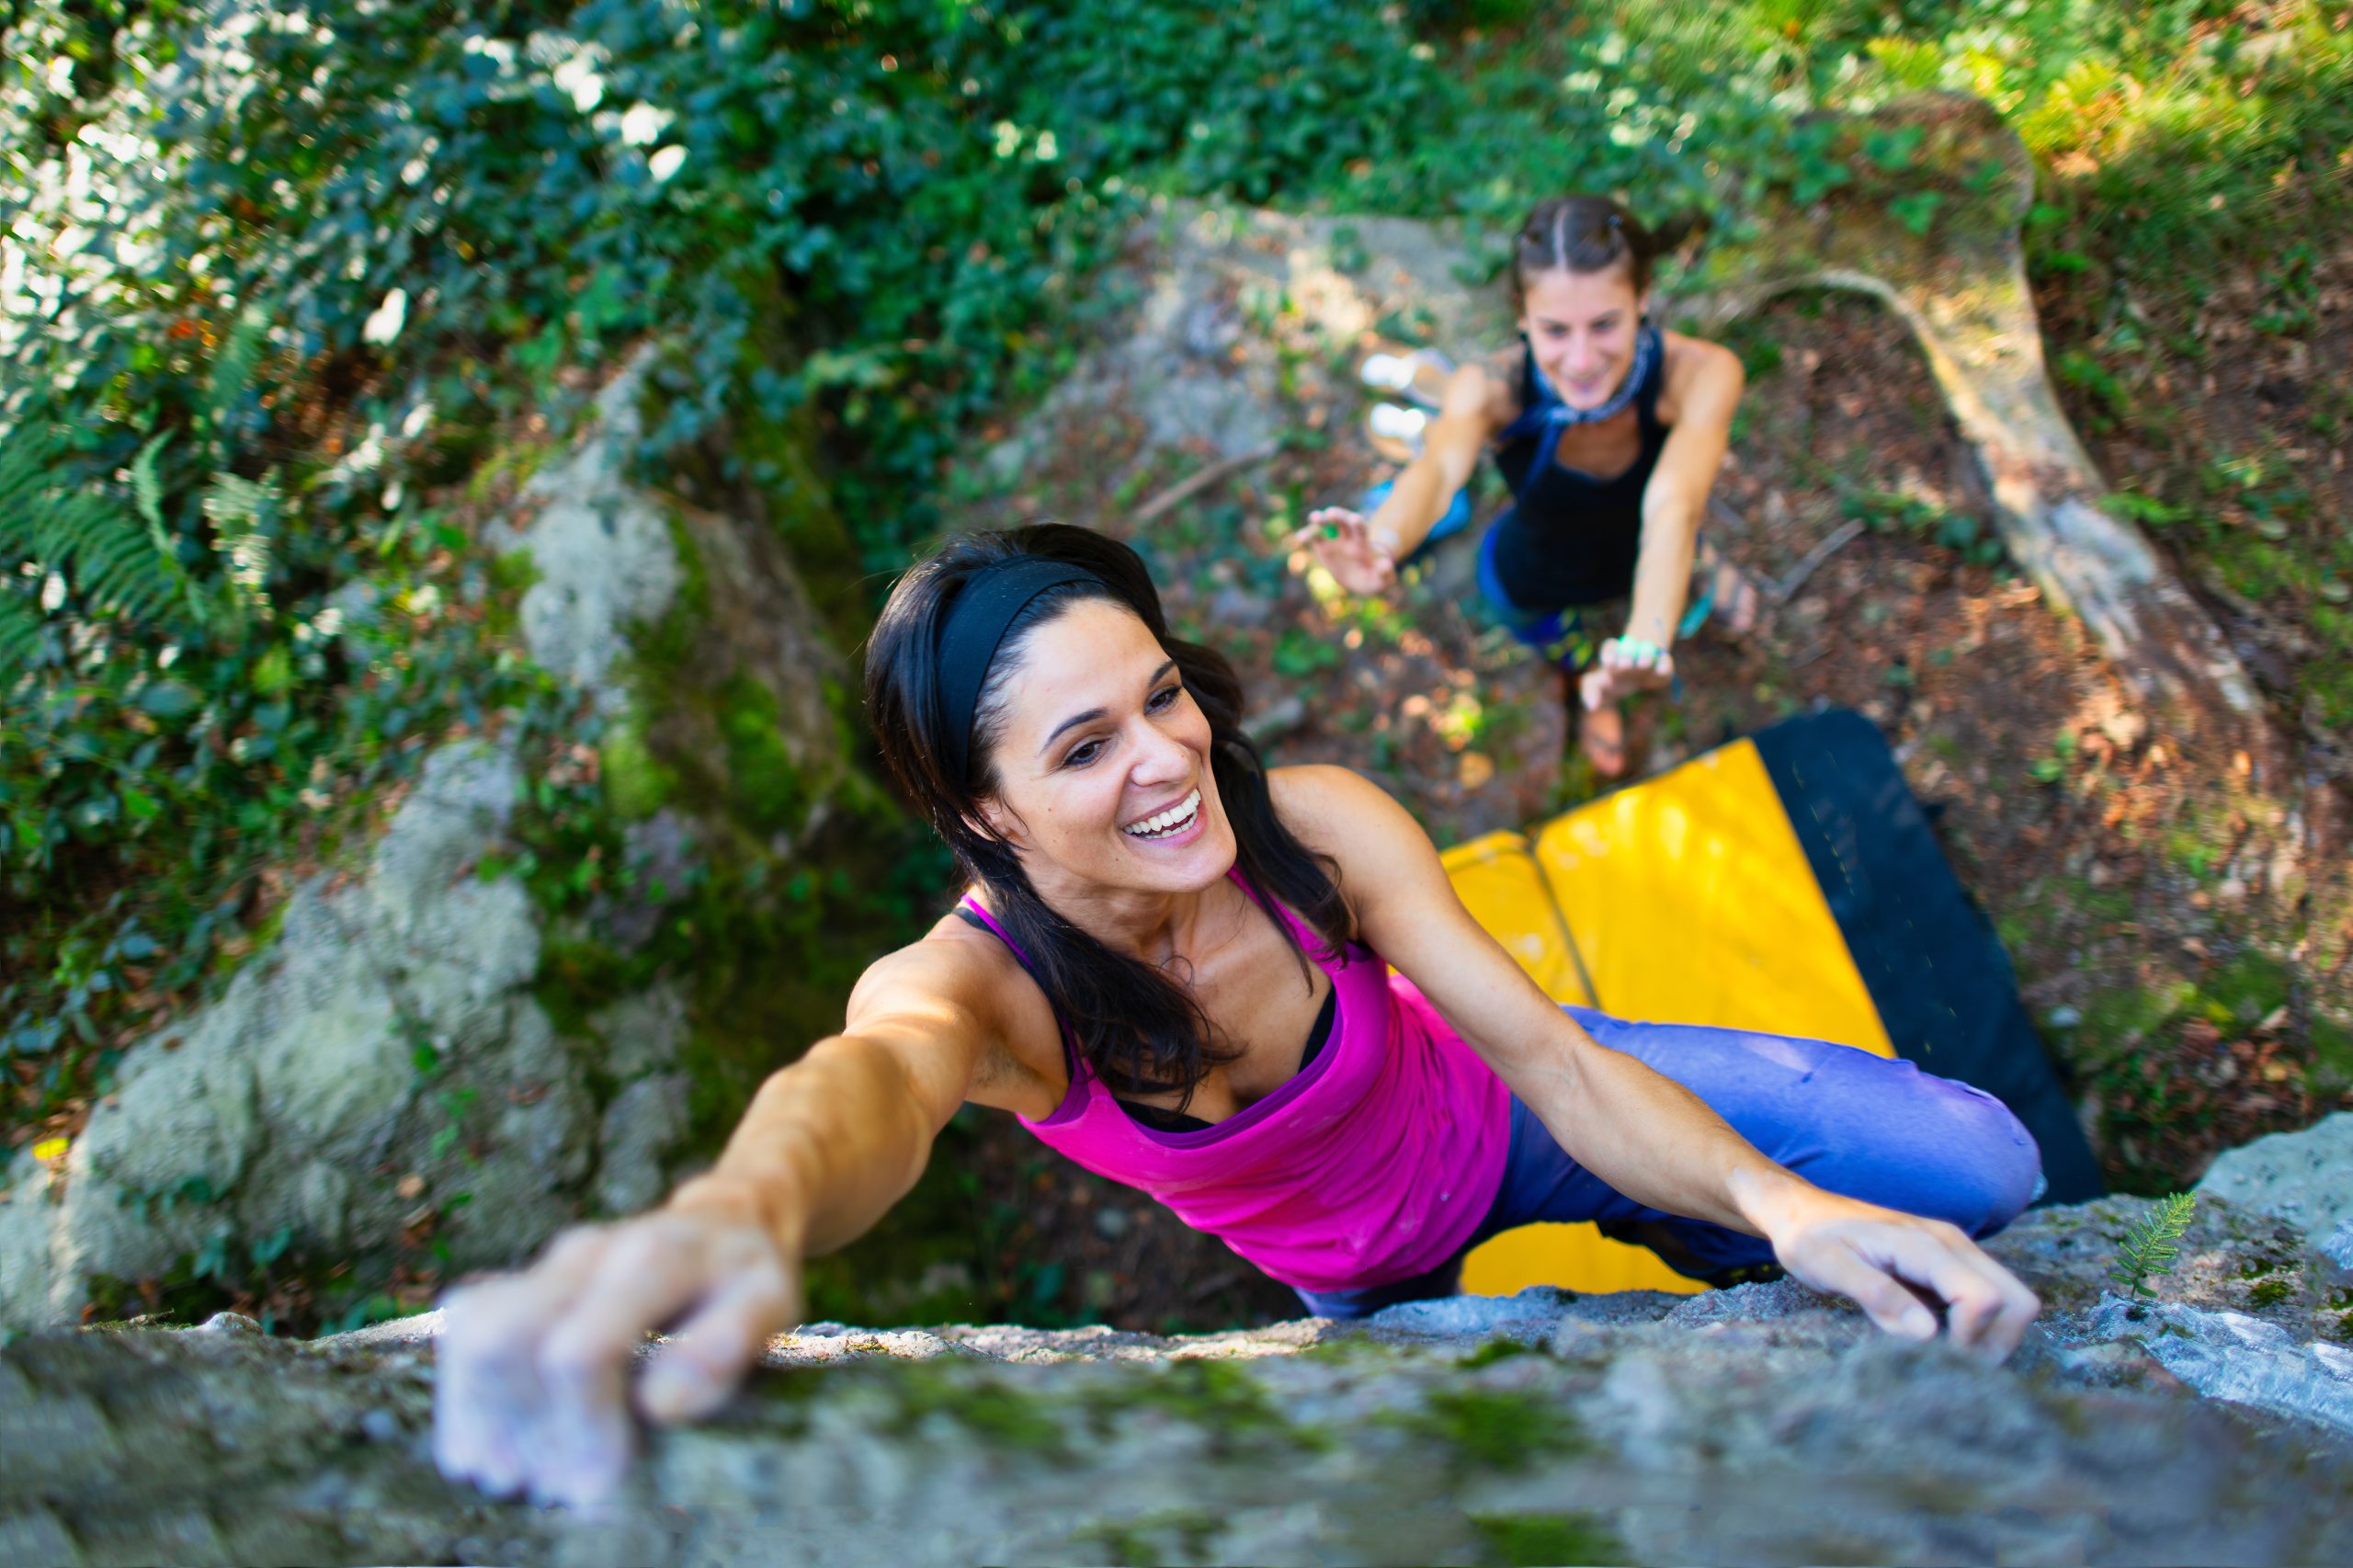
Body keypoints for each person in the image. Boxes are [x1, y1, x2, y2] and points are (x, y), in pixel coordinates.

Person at [433, 524, 2041, 1506]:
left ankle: (1706, 1229)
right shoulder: (980, 990)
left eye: (1161, 696)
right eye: (1083, 749)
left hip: (1511, 1128)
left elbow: (1551, 1053)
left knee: (1980, 1169)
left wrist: (1783, 1208)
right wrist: (747, 1207)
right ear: (983, 817)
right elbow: (869, 1080)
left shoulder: (1314, 827)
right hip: (1357, 1282)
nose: (1165, 757)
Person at [1298, 196, 1759, 777]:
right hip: (1538, 571)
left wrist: (1646, 639)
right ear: (1522, 314)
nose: (1582, 360)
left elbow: (1675, 506)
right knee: (1563, 643)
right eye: (1555, 331)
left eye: (1605, 325)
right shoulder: (1492, 386)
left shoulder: (1699, 375)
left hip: (1652, 547)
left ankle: (1685, 586)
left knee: (1678, 558)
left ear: (1643, 298)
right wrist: (1383, 541)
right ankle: (1593, 689)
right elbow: (1438, 472)